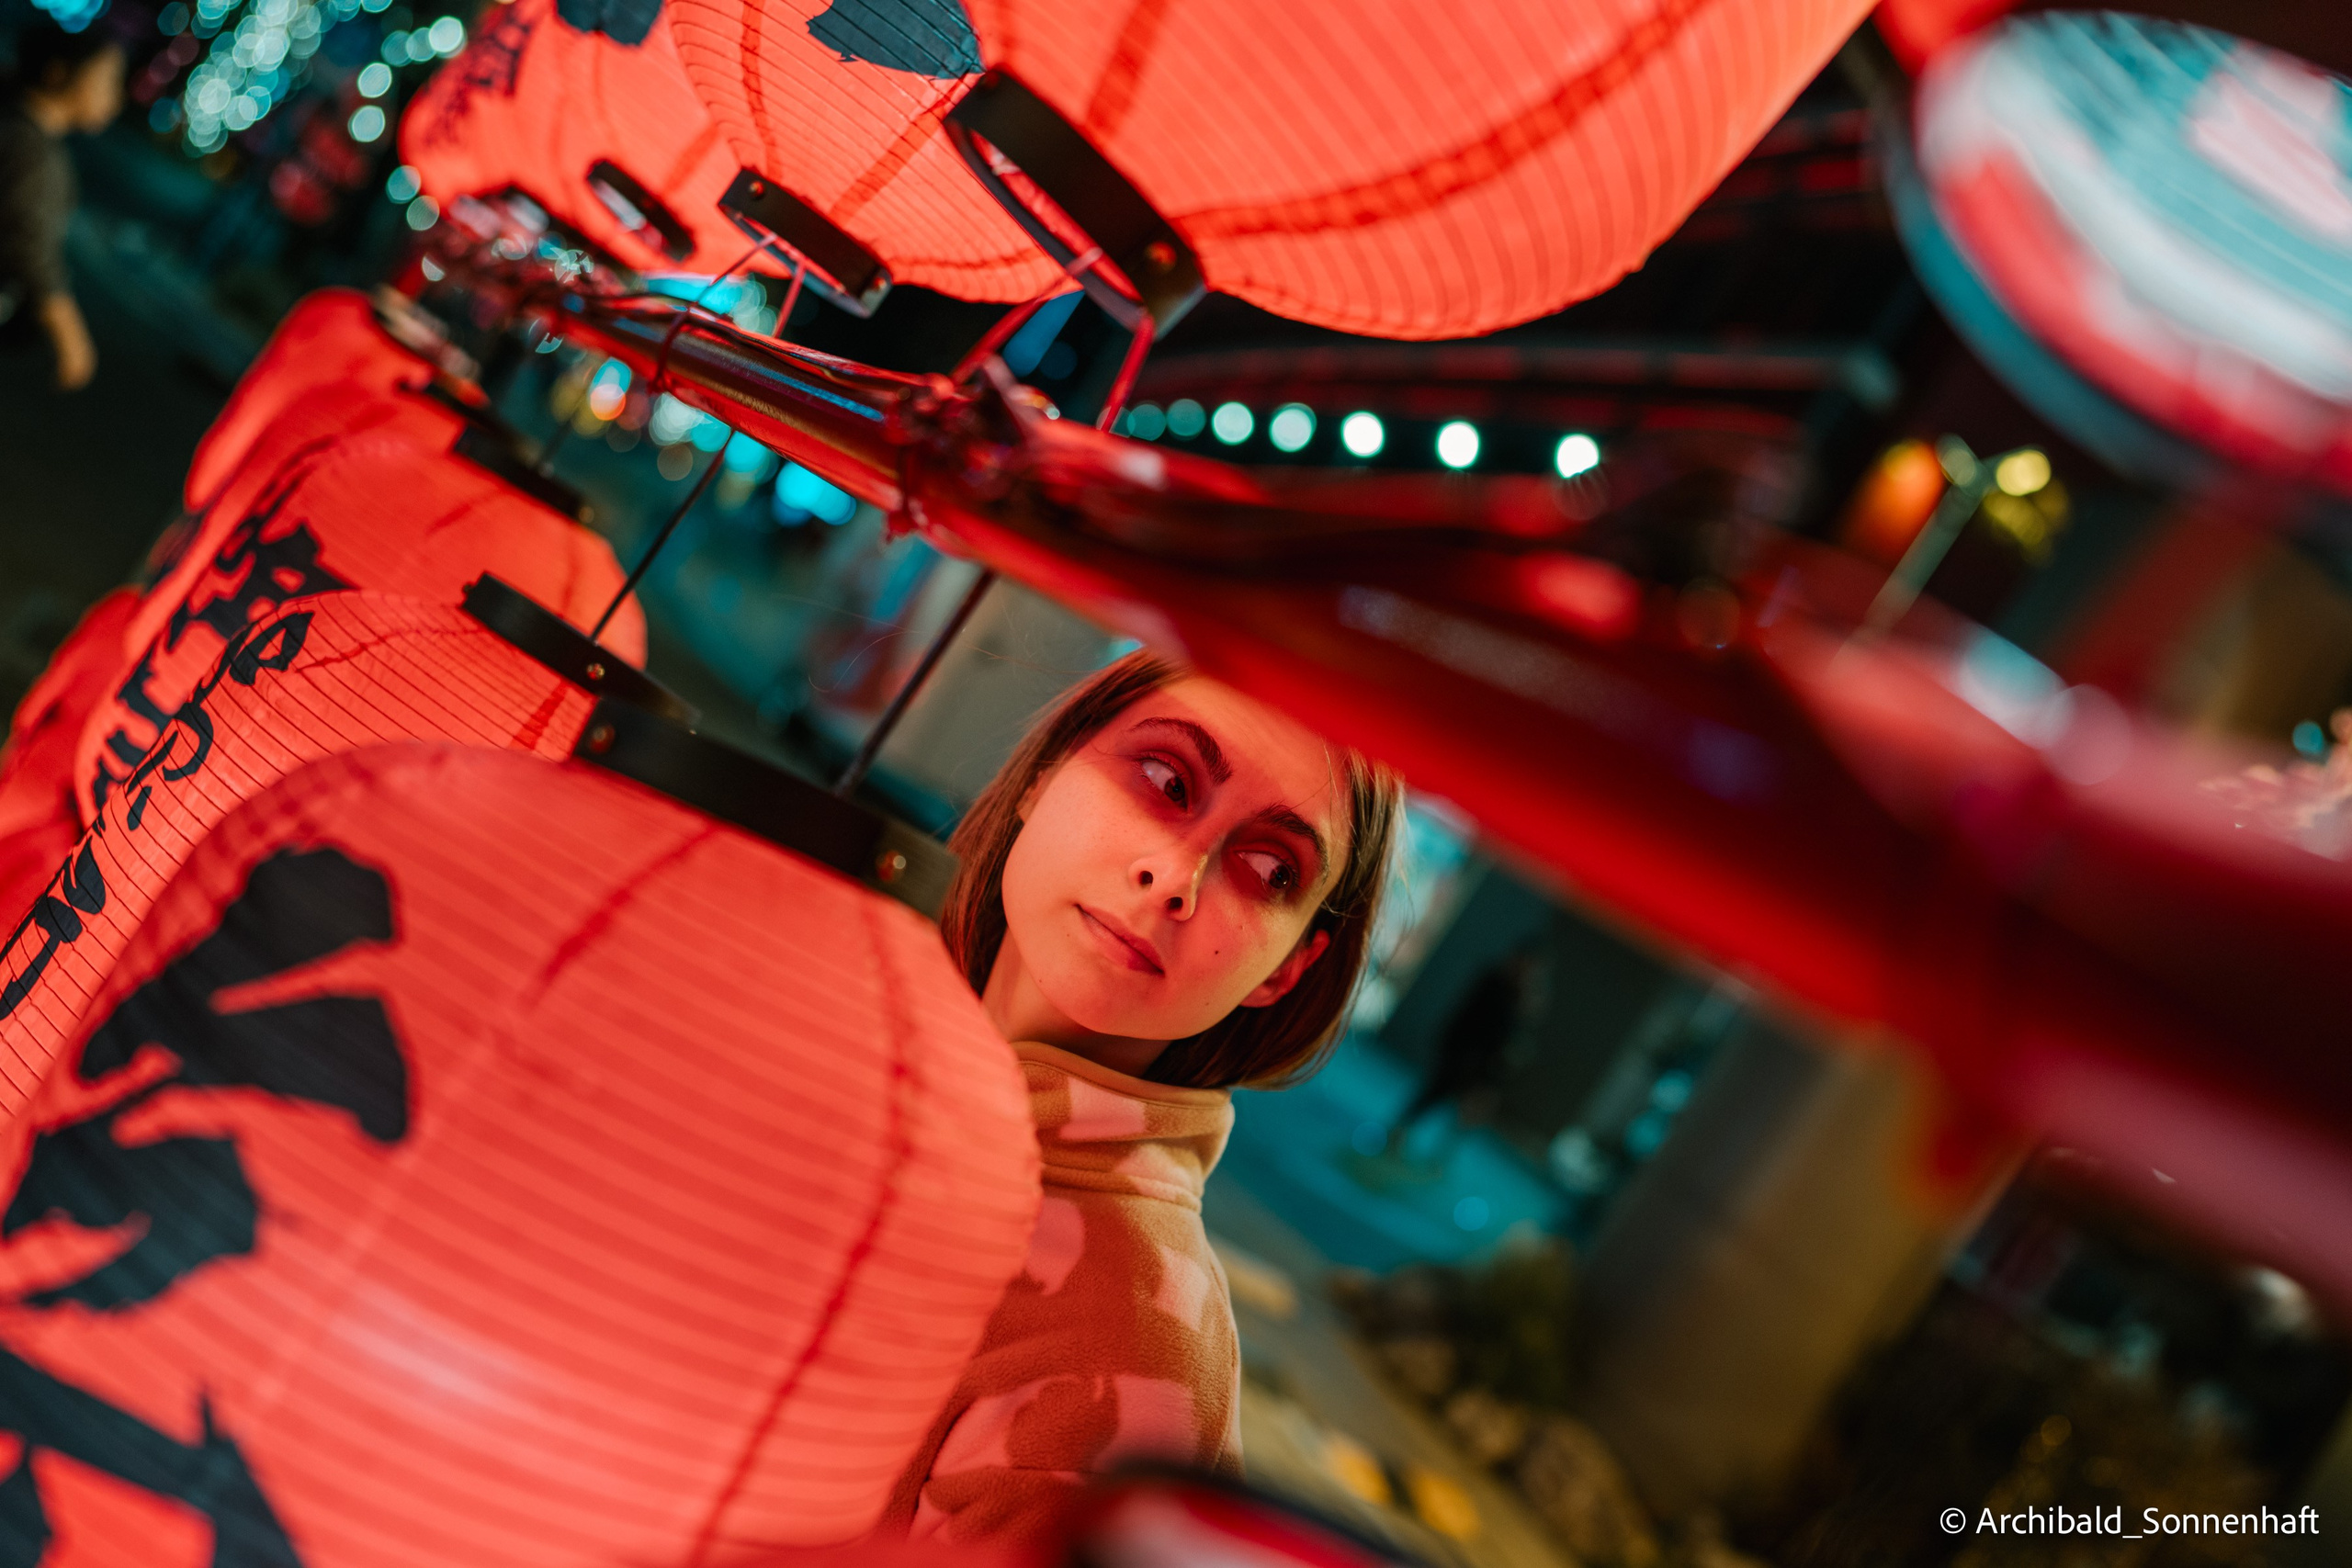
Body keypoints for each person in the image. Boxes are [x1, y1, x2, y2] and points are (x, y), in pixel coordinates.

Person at [883, 649, 1401, 1541]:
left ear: (1286, 969)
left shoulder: (1130, 1348)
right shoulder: (827, 1013)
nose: (1177, 875)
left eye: (1270, 869)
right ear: (1045, 769)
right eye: (1165, 779)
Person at [0, 20, 124, 390]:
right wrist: (68, 331)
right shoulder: (32, 151)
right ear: (58, 74)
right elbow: (28, 241)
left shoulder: (20, 132)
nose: (114, 98)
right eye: (104, 81)